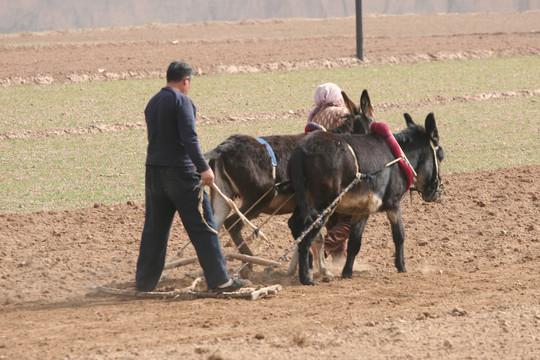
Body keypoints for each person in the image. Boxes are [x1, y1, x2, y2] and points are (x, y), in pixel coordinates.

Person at [135, 61, 247, 293]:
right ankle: (220, 281)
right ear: (186, 80)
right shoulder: (182, 101)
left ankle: (144, 283)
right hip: (181, 173)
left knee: (154, 230)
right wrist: (204, 167)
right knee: (204, 227)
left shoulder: (153, 101)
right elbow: (189, 138)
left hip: (154, 172)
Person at [306, 83, 353, 263]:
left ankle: (338, 262)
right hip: (337, 171)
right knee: (349, 220)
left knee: (332, 220)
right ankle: (322, 249)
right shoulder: (341, 114)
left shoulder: (315, 115)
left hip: (317, 174)